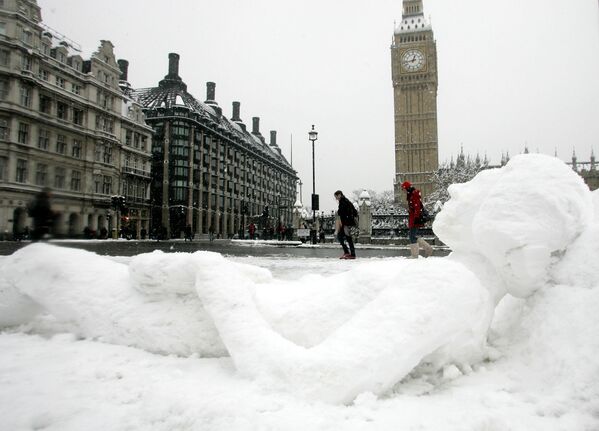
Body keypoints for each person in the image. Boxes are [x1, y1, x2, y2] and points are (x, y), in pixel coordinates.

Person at [401, 181, 433, 259]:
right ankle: (428, 248)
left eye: (403, 189)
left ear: (407, 188)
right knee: (413, 236)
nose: (403, 191)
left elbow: (417, 207)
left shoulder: (414, 194)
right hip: (413, 218)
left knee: (412, 236)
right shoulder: (410, 195)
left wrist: (416, 218)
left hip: (415, 219)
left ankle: (415, 255)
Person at [334, 190, 357, 259]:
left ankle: (352, 254)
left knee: (347, 238)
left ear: (340, 195)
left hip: (347, 223)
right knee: (341, 237)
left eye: (336, 196)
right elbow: (354, 212)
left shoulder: (344, 202)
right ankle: (348, 252)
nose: (336, 198)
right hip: (346, 223)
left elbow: (343, 212)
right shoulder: (345, 201)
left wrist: (347, 218)